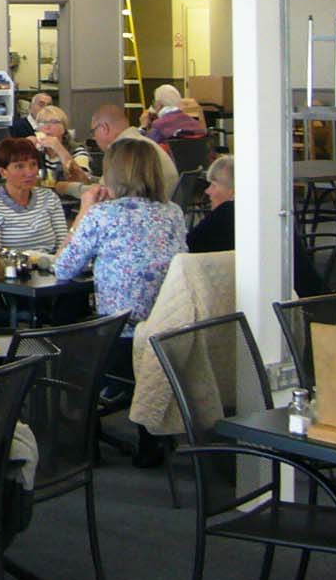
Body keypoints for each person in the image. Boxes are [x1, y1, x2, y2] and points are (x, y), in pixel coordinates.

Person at [54, 136, 187, 461]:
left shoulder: (104, 216)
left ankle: (85, 443)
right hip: (167, 329)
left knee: (62, 350)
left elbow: (63, 268)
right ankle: (151, 435)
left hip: (119, 335)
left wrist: (85, 209)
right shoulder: (173, 213)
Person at [77, 103, 178, 198]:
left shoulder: (124, 150)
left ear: (104, 128)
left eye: (93, 132)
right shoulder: (141, 143)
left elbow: (103, 193)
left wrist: (65, 188)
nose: (94, 137)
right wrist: (88, 179)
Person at [187, 155, 235, 252]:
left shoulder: (225, 212)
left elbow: (187, 246)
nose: (207, 191)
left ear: (233, 190)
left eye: (214, 185)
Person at [31, 107, 88, 183]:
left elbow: (84, 181)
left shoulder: (77, 151)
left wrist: (59, 148)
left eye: (53, 122)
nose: (47, 127)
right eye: (43, 122)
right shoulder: (37, 151)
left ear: (64, 128)